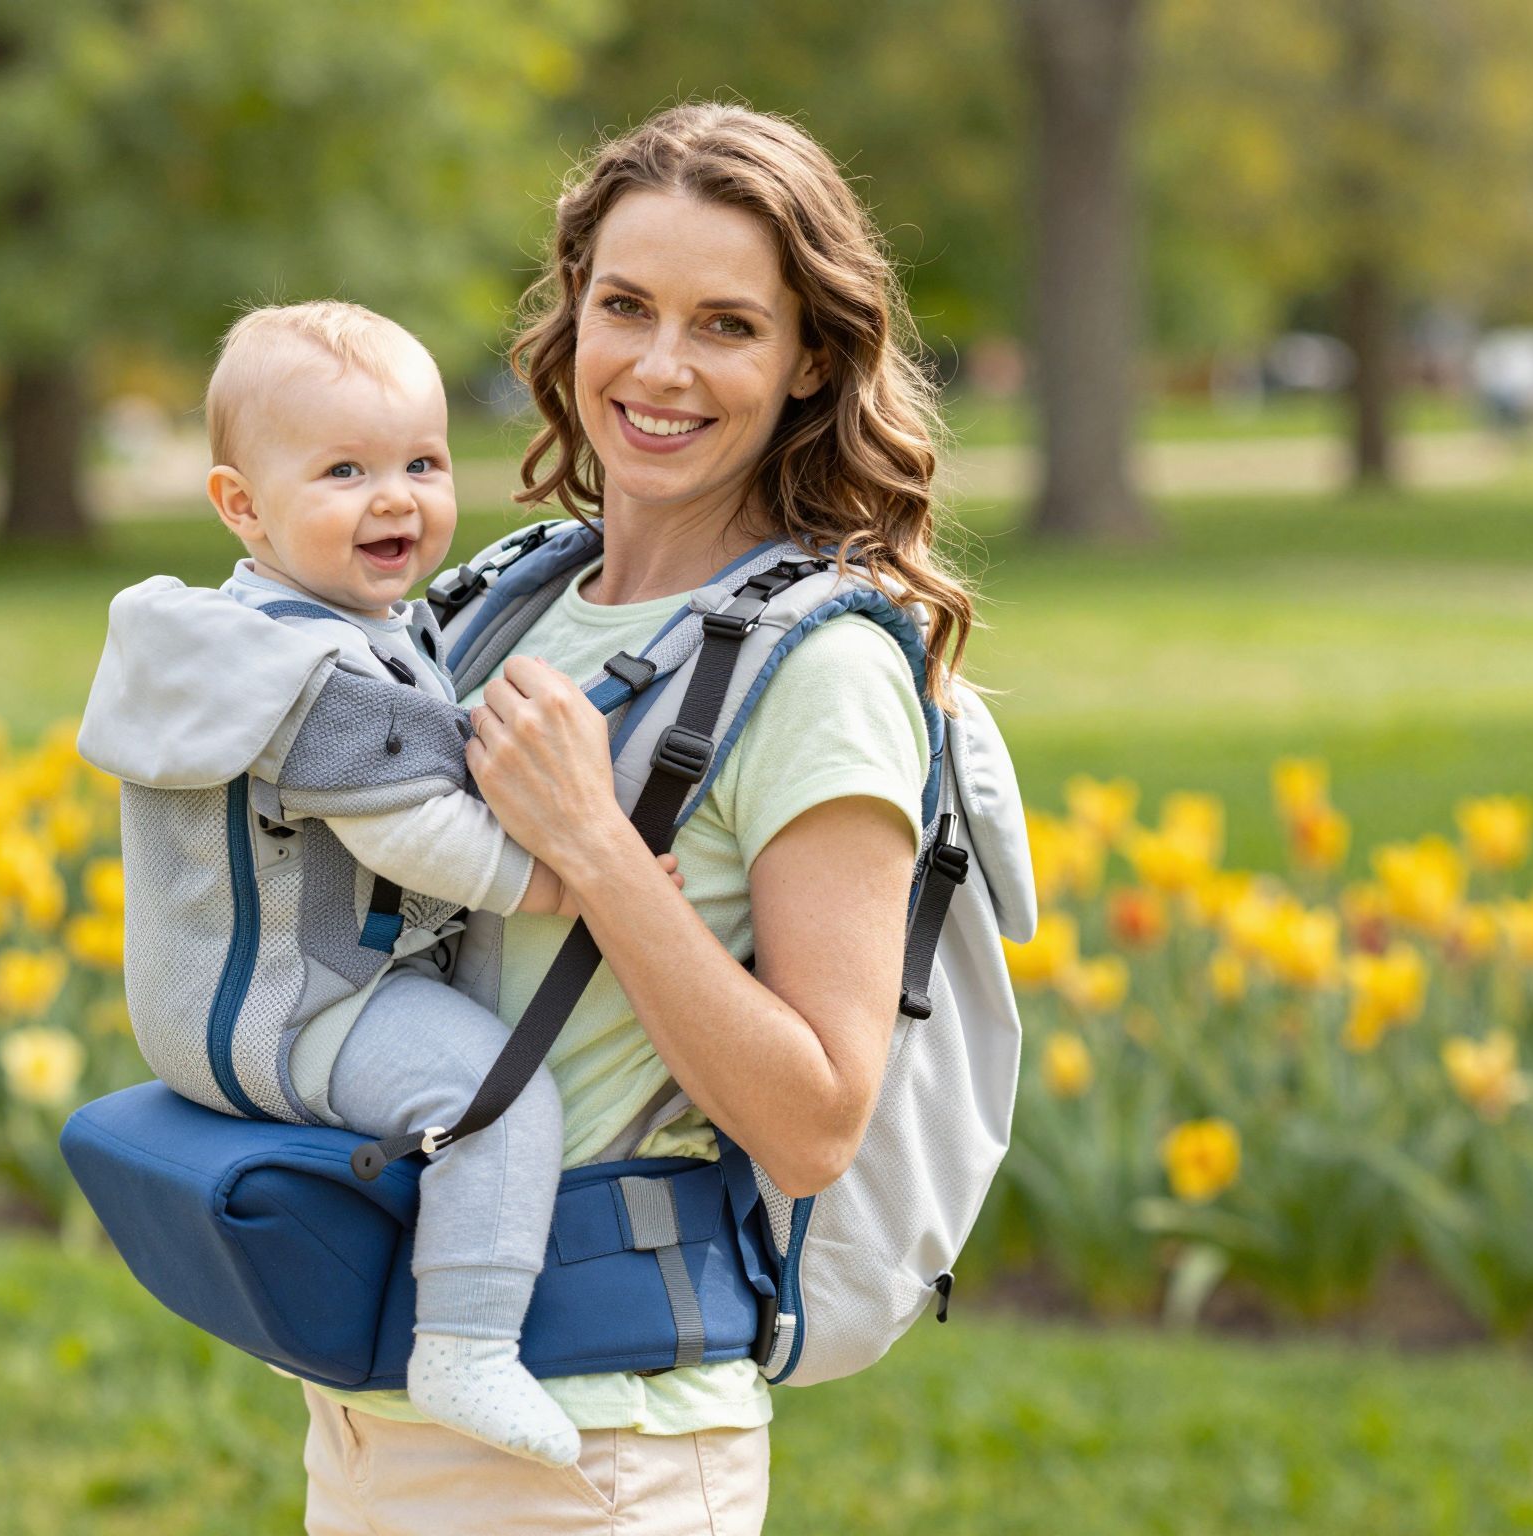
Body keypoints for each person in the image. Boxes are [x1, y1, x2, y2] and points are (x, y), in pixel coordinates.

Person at [295, 102, 979, 1535]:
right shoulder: (511, 592)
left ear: (808, 364)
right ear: (574, 319)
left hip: (600, 1448)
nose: (661, 368)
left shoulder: (827, 670)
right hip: (380, 1408)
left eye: (728, 325)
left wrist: (599, 849)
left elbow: (812, 1122)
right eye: (627, 307)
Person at [79, 300, 683, 1468]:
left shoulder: (260, 633)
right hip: (296, 1006)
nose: (395, 496)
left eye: (421, 461)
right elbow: (414, 835)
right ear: (240, 506)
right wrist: (567, 881)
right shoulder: (307, 676)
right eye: (344, 470)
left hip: (213, 995)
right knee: (493, 1098)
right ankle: (463, 1343)